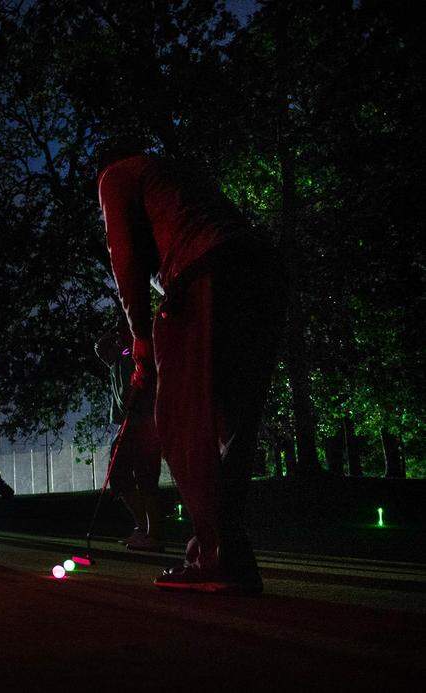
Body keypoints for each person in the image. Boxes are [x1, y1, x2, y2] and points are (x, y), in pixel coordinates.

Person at [98, 143, 286, 594]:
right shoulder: (179, 173)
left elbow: (123, 258)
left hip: (204, 272)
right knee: (231, 424)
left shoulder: (116, 176)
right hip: (265, 273)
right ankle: (229, 555)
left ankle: (214, 557)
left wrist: (141, 338)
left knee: (182, 423)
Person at [95, 316, 162, 552]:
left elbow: (140, 378)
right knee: (122, 477)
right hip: (130, 424)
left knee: (145, 478)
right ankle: (144, 527)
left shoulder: (127, 356)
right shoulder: (114, 364)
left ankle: (151, 533)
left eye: (104, 351)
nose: (103, 357)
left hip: (142, 423)